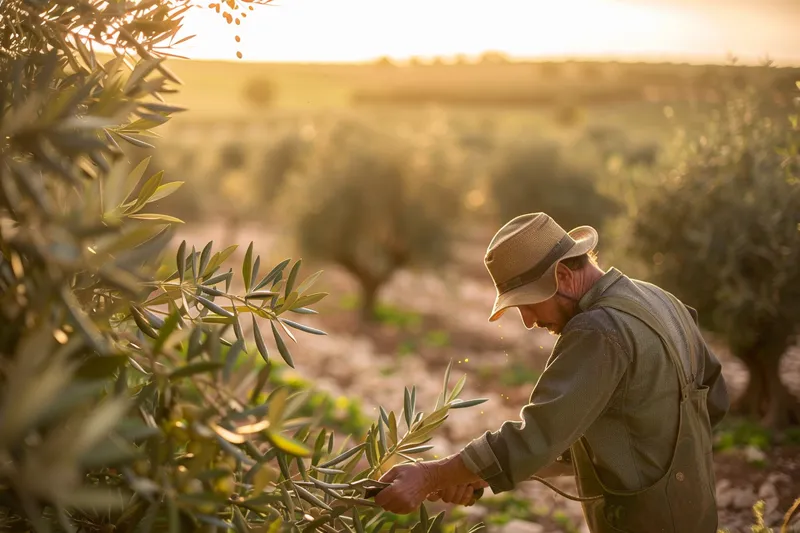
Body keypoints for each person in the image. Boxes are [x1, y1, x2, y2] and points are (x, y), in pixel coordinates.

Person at [374, 213, 730, 533]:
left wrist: (431, 475)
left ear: (562, 276)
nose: (529, 322)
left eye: (528, 305)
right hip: (697, 516)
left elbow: (537, 436)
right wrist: (474, 475)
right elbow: (714, 399)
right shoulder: (660, 299)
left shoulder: (599, 329)